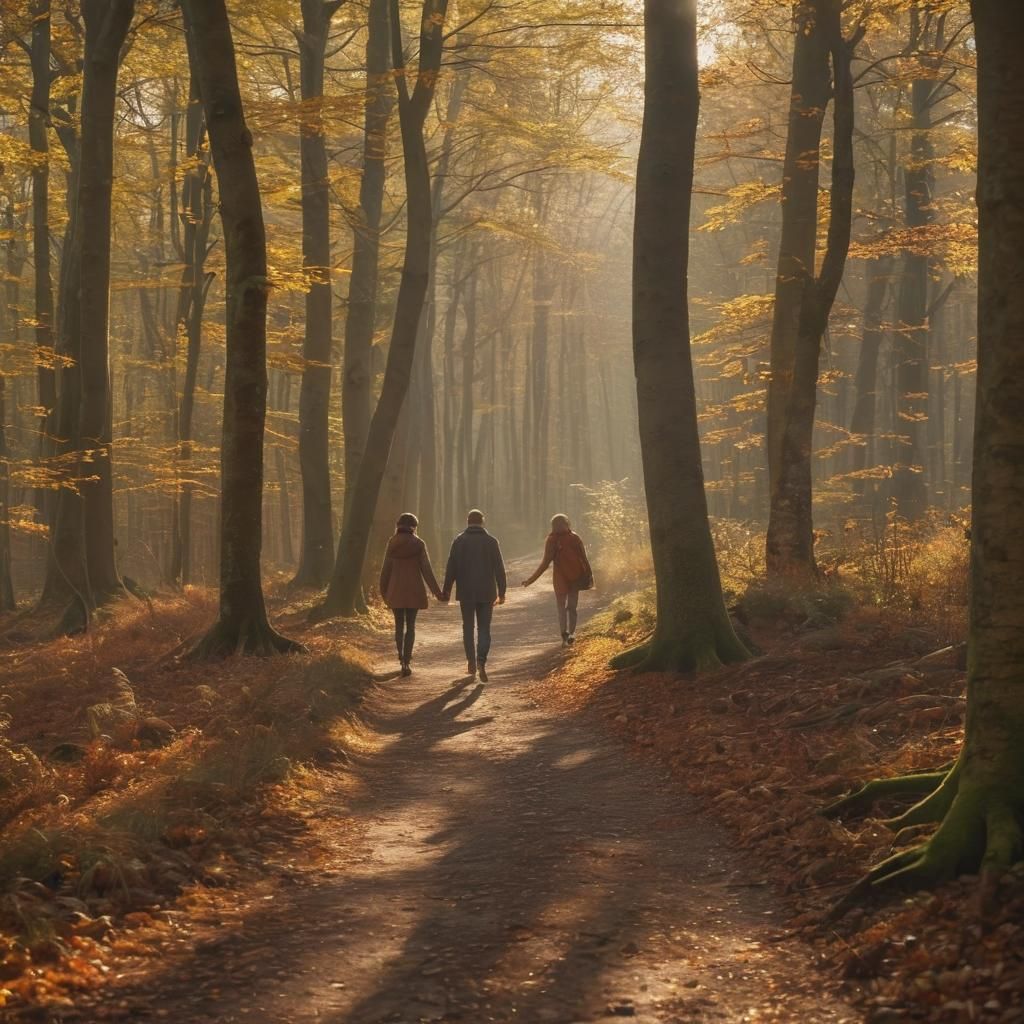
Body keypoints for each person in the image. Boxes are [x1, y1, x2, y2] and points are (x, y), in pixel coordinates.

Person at [442, 509, 507, 681]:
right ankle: (481, 661)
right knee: (484, 628)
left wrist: (447, 590)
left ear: (467, 521)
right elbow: (499, 569)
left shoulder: (459, 541)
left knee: (468, 627)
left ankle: (470, 662)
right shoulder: (491, 542)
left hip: (466, 592)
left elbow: (451, 567)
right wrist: (502, 592)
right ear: (482, 521)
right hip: (487, 592)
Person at [379, 512, 445, 676]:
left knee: (399, 626)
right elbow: (427, 571)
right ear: (414, 527)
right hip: (414, 591)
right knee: (411, 626)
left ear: (398, 526)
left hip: (395, 591)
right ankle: (407, 661)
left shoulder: (392, 544)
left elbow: (385, 571)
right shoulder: (419, 544)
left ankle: (401, 657)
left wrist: (384, 592)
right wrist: (438, 593)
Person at [521, 513, 593, 646]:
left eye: (561, 524)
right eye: (557, 525)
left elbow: (546, 563)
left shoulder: (564, 538)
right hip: (569, 578)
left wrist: (531, 580)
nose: (559, 527)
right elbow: (583, 558)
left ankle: (567, 635)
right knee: (570, 607)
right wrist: (589, 575)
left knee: (565, 607)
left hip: (566, 578)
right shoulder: (563, 539)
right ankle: (568, 634)